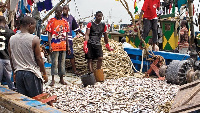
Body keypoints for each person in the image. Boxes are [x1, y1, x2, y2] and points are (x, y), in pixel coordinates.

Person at [8, 16, 48, 98]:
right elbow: (39, 58)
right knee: (36, 100)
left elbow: (11, 58)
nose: (35, 28)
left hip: (19, 73)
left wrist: (14, 73)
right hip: (31, 74)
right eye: (34, 26)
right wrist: (44, 73)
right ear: (30, 25)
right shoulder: (34, 39)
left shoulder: (12, 39)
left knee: (23, 100)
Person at [46, 6, 70, 86]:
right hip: (54, 45)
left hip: (63, 45)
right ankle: (52, 79)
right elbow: (49, 34)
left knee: (62, 62)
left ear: (61, 12)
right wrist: (50, 45)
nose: (58, 14)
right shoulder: (51, 21)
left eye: (59, 12)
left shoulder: (65, 22)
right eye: (56, 12)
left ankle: (61, 79)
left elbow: (66, 35)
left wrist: (68, 46)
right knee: (54, 62)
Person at [84, 11, 113, 75]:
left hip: (98, 43)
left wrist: (107, 45)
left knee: (100, 58)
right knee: (89, 59)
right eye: (98, 16)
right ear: (95, 16)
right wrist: (85, 43)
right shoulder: (90, 24)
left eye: (100, 16)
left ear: (102, 17)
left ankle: (98, 72)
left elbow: (105, 36)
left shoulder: (103, 25)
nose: (99, 17)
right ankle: (91, 73)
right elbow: (87, 34)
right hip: (90, 43)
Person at [62, 4, 85, 76]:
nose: (64, 10)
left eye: (66, 9)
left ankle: (74, 70)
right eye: (63, 9)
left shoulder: (71, 18)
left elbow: (76, 28)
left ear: (68, 9)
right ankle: (61, 71)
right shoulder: (60, 17)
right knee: (60, 55)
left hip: (69, 39)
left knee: (71, 55)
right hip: (61, 39)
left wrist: (84, 35)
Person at [0, 16, 15, 90]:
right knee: (9, 80)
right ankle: (12, 91)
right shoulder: (10, 32)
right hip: (7, 58)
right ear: (5, 22)